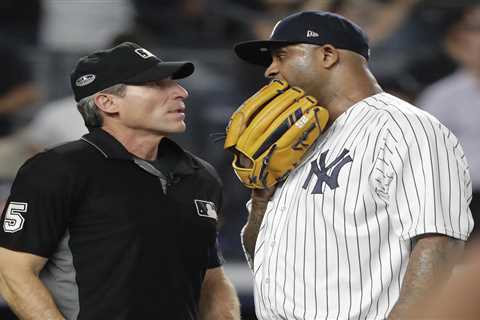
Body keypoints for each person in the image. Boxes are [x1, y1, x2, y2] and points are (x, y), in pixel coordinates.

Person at [232, 11, 473, 319]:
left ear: (328, 54)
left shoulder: (404, 127)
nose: (270, 70)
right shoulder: (295, 140)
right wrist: (261, 200)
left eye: (281, 56)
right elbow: (261, 254)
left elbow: (438, 243)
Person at [0, 42, 240, 320]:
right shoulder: (57, 169)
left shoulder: (201, 175)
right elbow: (13, 271)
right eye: (155, 84)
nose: (180, 92)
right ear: (107, 102)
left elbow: (212, 279)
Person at [416, 3, 480, 243]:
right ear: (459, 41)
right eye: (475, 29)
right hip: (465, 203)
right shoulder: (441, 96)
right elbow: (425, 159)